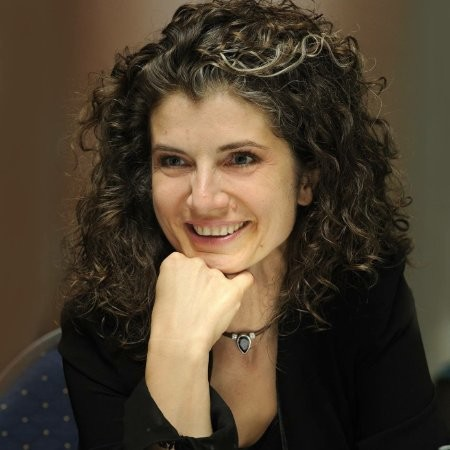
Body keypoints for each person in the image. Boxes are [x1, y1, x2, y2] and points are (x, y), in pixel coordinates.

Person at [58, 0, 450, 449]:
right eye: (173, 161)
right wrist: (177, 352)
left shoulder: (363, 290)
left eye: (241, 158)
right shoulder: (101, 323)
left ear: (307, 178)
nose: (203, 199)